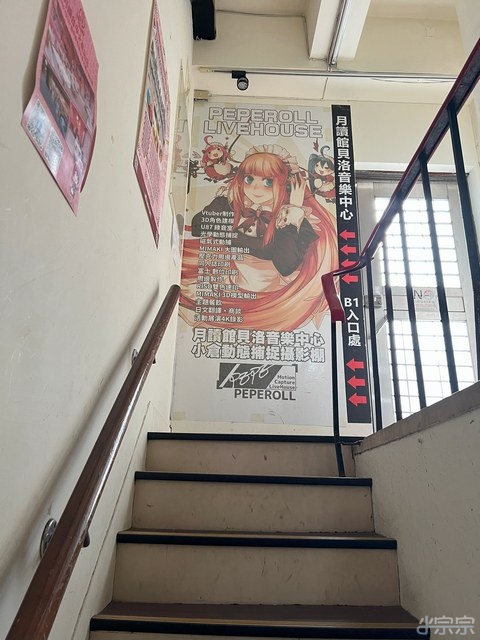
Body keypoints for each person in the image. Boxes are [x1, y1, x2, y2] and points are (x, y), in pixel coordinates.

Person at [180, 146, 338, 331]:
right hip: (232, 288)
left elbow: (285, 265)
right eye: (249, 179)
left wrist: (294, 210)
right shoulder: (231, 205)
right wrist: (228, 199)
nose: (255, 188)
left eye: (268, 182)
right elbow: (199, 225)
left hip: (271, 300)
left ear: (284, 184)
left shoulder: (293, 219)